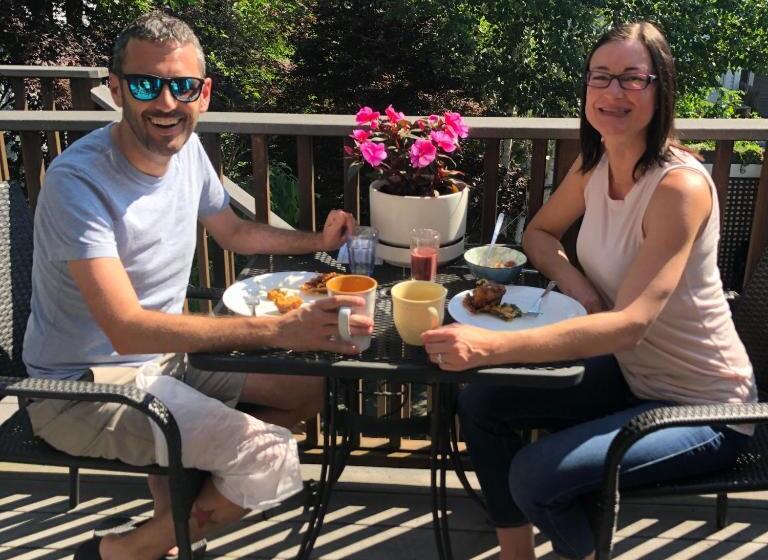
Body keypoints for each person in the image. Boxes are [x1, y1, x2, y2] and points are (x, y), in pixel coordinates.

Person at [22, 11, 372, 560]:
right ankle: (123, 552)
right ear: (116, 89)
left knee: (309, 390)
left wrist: (316, 240)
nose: (166, 103)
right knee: (268, 457)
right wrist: (278, 330)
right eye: (146, 85)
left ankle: (178, 506)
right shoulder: (78, 183)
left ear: (203, 94)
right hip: (81, 390)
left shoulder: (186, 153)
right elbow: (126, 328)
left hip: (167, 363)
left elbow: (233, 232)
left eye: (182, 86)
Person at [422, 22, 756, 560]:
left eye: (632, 78)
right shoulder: (594, 164)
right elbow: (539, 233)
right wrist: (582, 289)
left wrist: (491, 346)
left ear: (661, 89)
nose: (613, 91)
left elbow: (631, 325)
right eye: (600, 76)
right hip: (631, 375)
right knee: (481, 401)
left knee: (535, 475)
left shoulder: (679, 188)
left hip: (706, 408)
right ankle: (517, 553)